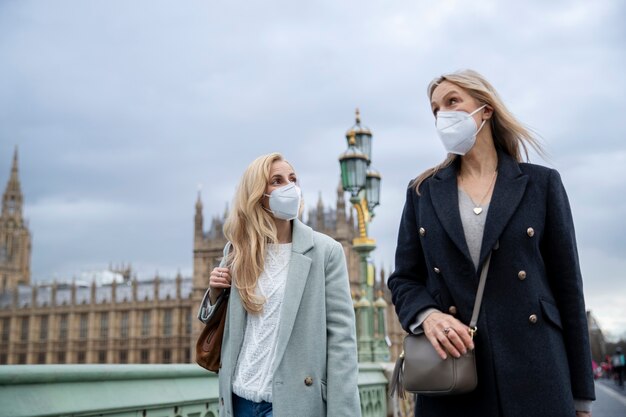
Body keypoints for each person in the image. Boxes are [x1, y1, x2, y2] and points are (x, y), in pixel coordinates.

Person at [387, 69, 595, 417]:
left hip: (536, 374)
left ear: (485, 109)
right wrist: (428, 316)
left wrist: (581, 399)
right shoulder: (421, 192)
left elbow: (568, 290)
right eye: (436, 109)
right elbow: (404, 279)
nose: (443, 115)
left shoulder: (541, 184)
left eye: (452, 102)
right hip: (453, 376)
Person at [197, 152, 361, 417]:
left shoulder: (325, 251)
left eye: (293, 179)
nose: (289, 186)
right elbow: (224, 327)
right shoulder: (237, 251)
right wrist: (215, 295)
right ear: (257, 193)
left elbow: (342, 343)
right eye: (277, 180)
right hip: (238, 400)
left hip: (292, 403)